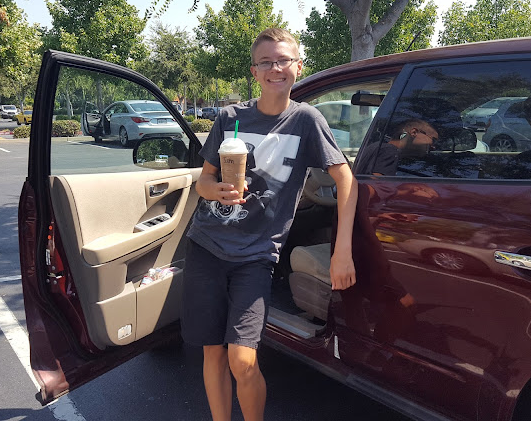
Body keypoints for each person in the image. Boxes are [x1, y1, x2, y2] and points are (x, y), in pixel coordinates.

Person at [181, 27, 358, 421]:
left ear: (299, 66)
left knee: (242, 360)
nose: (275, 68)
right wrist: (216, 191)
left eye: (283, 60)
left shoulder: (306, 120)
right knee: (213, 353)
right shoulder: (230, 117)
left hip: (256, 256)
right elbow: (203, 182)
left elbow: (345, 179)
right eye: (266, 62)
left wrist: (341, 249)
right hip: (207, 246)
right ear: (254, 72)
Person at [355, 118, 439, 176]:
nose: (434, 147)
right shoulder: (389, 152)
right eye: (433, 140)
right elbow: (378, 185)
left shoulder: (378, 147)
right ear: (414, 132)